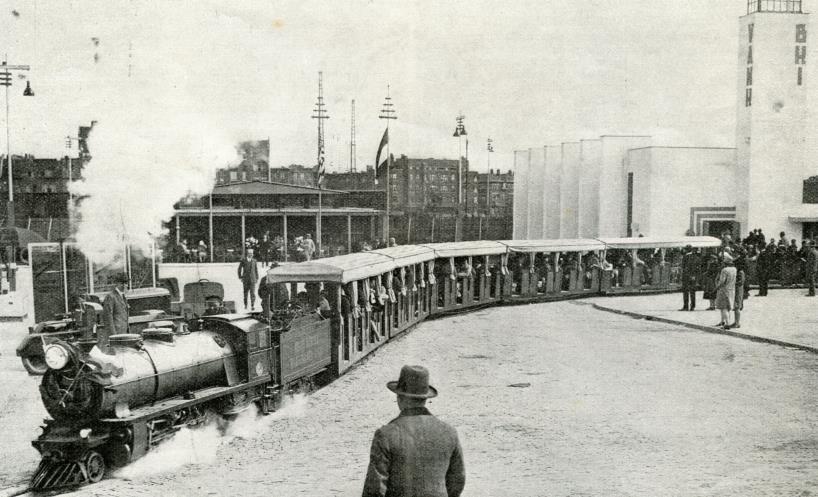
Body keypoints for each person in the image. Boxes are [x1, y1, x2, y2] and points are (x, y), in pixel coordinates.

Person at [362, 365, 465, 497]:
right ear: (425, 399)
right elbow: (457, 482)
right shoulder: (449, 432)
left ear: (399, 398)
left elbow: (375, 489)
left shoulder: (386, 435)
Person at [101, 272, 130, 353]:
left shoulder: (123, 296)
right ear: (117, 283)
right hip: (116, 335)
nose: (124, 286)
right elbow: (108, 318)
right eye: (122, 283)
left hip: (123, 334)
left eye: (126, 283)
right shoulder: (111, 296)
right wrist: (114, 337)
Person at [714, 253, 737, 329]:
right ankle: (723, 321)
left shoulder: (724, 270)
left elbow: (722, 281)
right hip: (731, 289)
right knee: (728, 307)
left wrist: (716, 287)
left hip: (724, 290)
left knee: (723, 307)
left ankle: (727, 323)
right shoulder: (734, 269)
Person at [679, 245, 700, 311]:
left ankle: (686, 306)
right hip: (693, 276)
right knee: (692, 292)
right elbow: (698, 268)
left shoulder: (686, 257)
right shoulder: (697, 257)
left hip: (686, 276)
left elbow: (684, 267)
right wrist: (695, 276)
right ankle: (692, 306)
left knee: (685, 291)